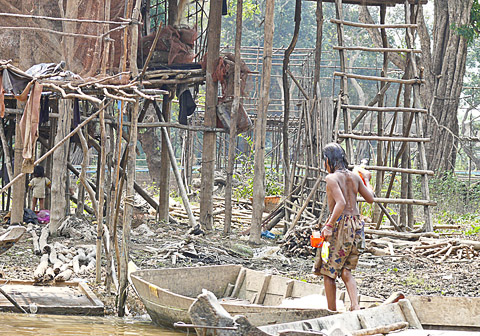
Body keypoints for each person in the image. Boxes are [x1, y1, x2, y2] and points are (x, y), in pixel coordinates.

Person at [313, 143, 374, 311]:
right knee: (346, 271)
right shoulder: (355, 177)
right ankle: (355, 306)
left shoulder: (331, 178)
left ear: (328, 160)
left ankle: (331, 312)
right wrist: (366, 179)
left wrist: (329, 226)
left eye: (324, 161)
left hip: (341, 226)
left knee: (327, 272)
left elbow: (341, 203)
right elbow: (371, 198)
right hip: (357, 226)